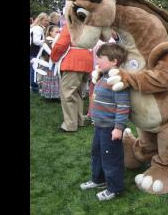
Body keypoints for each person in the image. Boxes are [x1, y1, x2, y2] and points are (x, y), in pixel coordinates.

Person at [80, 43, 130, 201]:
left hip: (110, 128)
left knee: (111, 158)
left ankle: (114, 188)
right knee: (97, 154)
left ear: (114, 61)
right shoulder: (103, 76)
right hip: (100, 126)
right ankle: (98, 179)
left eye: (101, 58)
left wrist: (118, 128)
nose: (97, 60)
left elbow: (123, 106)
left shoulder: (117, 80)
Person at [50, 24, 93, 132]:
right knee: (78, 93)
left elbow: (60, 44)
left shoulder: (72, 25)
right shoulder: (90, 25)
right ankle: (79, 120)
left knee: (67, 94)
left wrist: (54, 57)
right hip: (86, 59)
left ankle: (70, 125)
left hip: (73, 61)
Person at [39, 25, 61, 99]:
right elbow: (50, 53)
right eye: (56, 32)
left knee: (55, 79)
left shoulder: (56, 40)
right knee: (51, 79)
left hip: (55, 63)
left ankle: (54, 95)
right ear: (50, 32)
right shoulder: (48, 41)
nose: (58, 33)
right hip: (50, 63)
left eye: (59, 32)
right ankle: (51, 95)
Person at [30, 12, 50, 93]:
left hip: (33, 50)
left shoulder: (35, 27)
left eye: (48, 21)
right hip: (33, 51)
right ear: (41, 20)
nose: (47, 22)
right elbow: (36, 41)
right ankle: (34, 88)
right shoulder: (38, 28)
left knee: (33, 68)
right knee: (33, 69)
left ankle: (34, 87)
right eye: (45, 20)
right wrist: (45, 41)